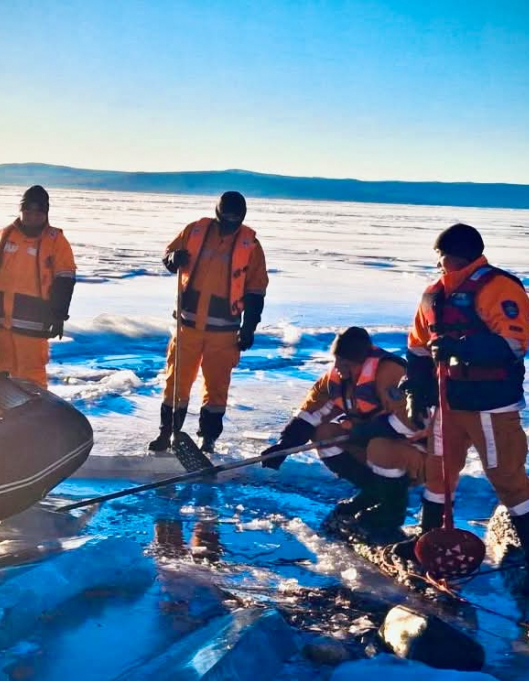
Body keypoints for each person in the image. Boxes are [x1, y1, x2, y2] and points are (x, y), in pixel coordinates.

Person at [405, 223, 529, 594]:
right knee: (438, 472)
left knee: (507, 476)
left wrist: (461, 348)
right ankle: (428, 545)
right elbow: (418, 347)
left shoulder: (499, 288)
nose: (440, 262)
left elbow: (513, 343)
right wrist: (416, 392)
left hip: (491, 403)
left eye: (443, 254)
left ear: (458, 254)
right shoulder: (433, 295)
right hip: (448, 401)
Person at [259, 327, 426, 545]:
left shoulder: (390, 373)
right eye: (337, 361)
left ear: (363, 360)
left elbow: (411, 421)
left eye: (346, 364)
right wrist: (285, 444)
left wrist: (367, 431)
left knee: (380, 447)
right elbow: (311, 414)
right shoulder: (336, 379)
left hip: (422, 456)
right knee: (324, 434)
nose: (340, 368)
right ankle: (373, 491)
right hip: (374, 447)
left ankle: (390, 513)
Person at [150, 191, 268, 453]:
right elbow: (169, 255)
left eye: (235, 217)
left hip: (224, 331)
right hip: (188, 325)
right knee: (176, 382)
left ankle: (208, 439)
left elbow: (256, 290)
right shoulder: (195, 231)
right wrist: (173, 259)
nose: (230, 220)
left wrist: (249, 327)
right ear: (217, 212)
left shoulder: (250, 245)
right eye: (226, 215)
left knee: (216, 387)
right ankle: (167, 432)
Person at [0, 185, 76, 388]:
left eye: (38, 212)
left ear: (46, 213)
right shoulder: (5, 234)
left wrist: (59, 314)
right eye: (28, 211)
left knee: (31, 374)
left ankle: (35, 415)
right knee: (1, 373)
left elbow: (65, 278)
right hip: (1, 317)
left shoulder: (56, 241)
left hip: (33, 319)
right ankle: (3, 415)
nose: (32, 217)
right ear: (21, 210)